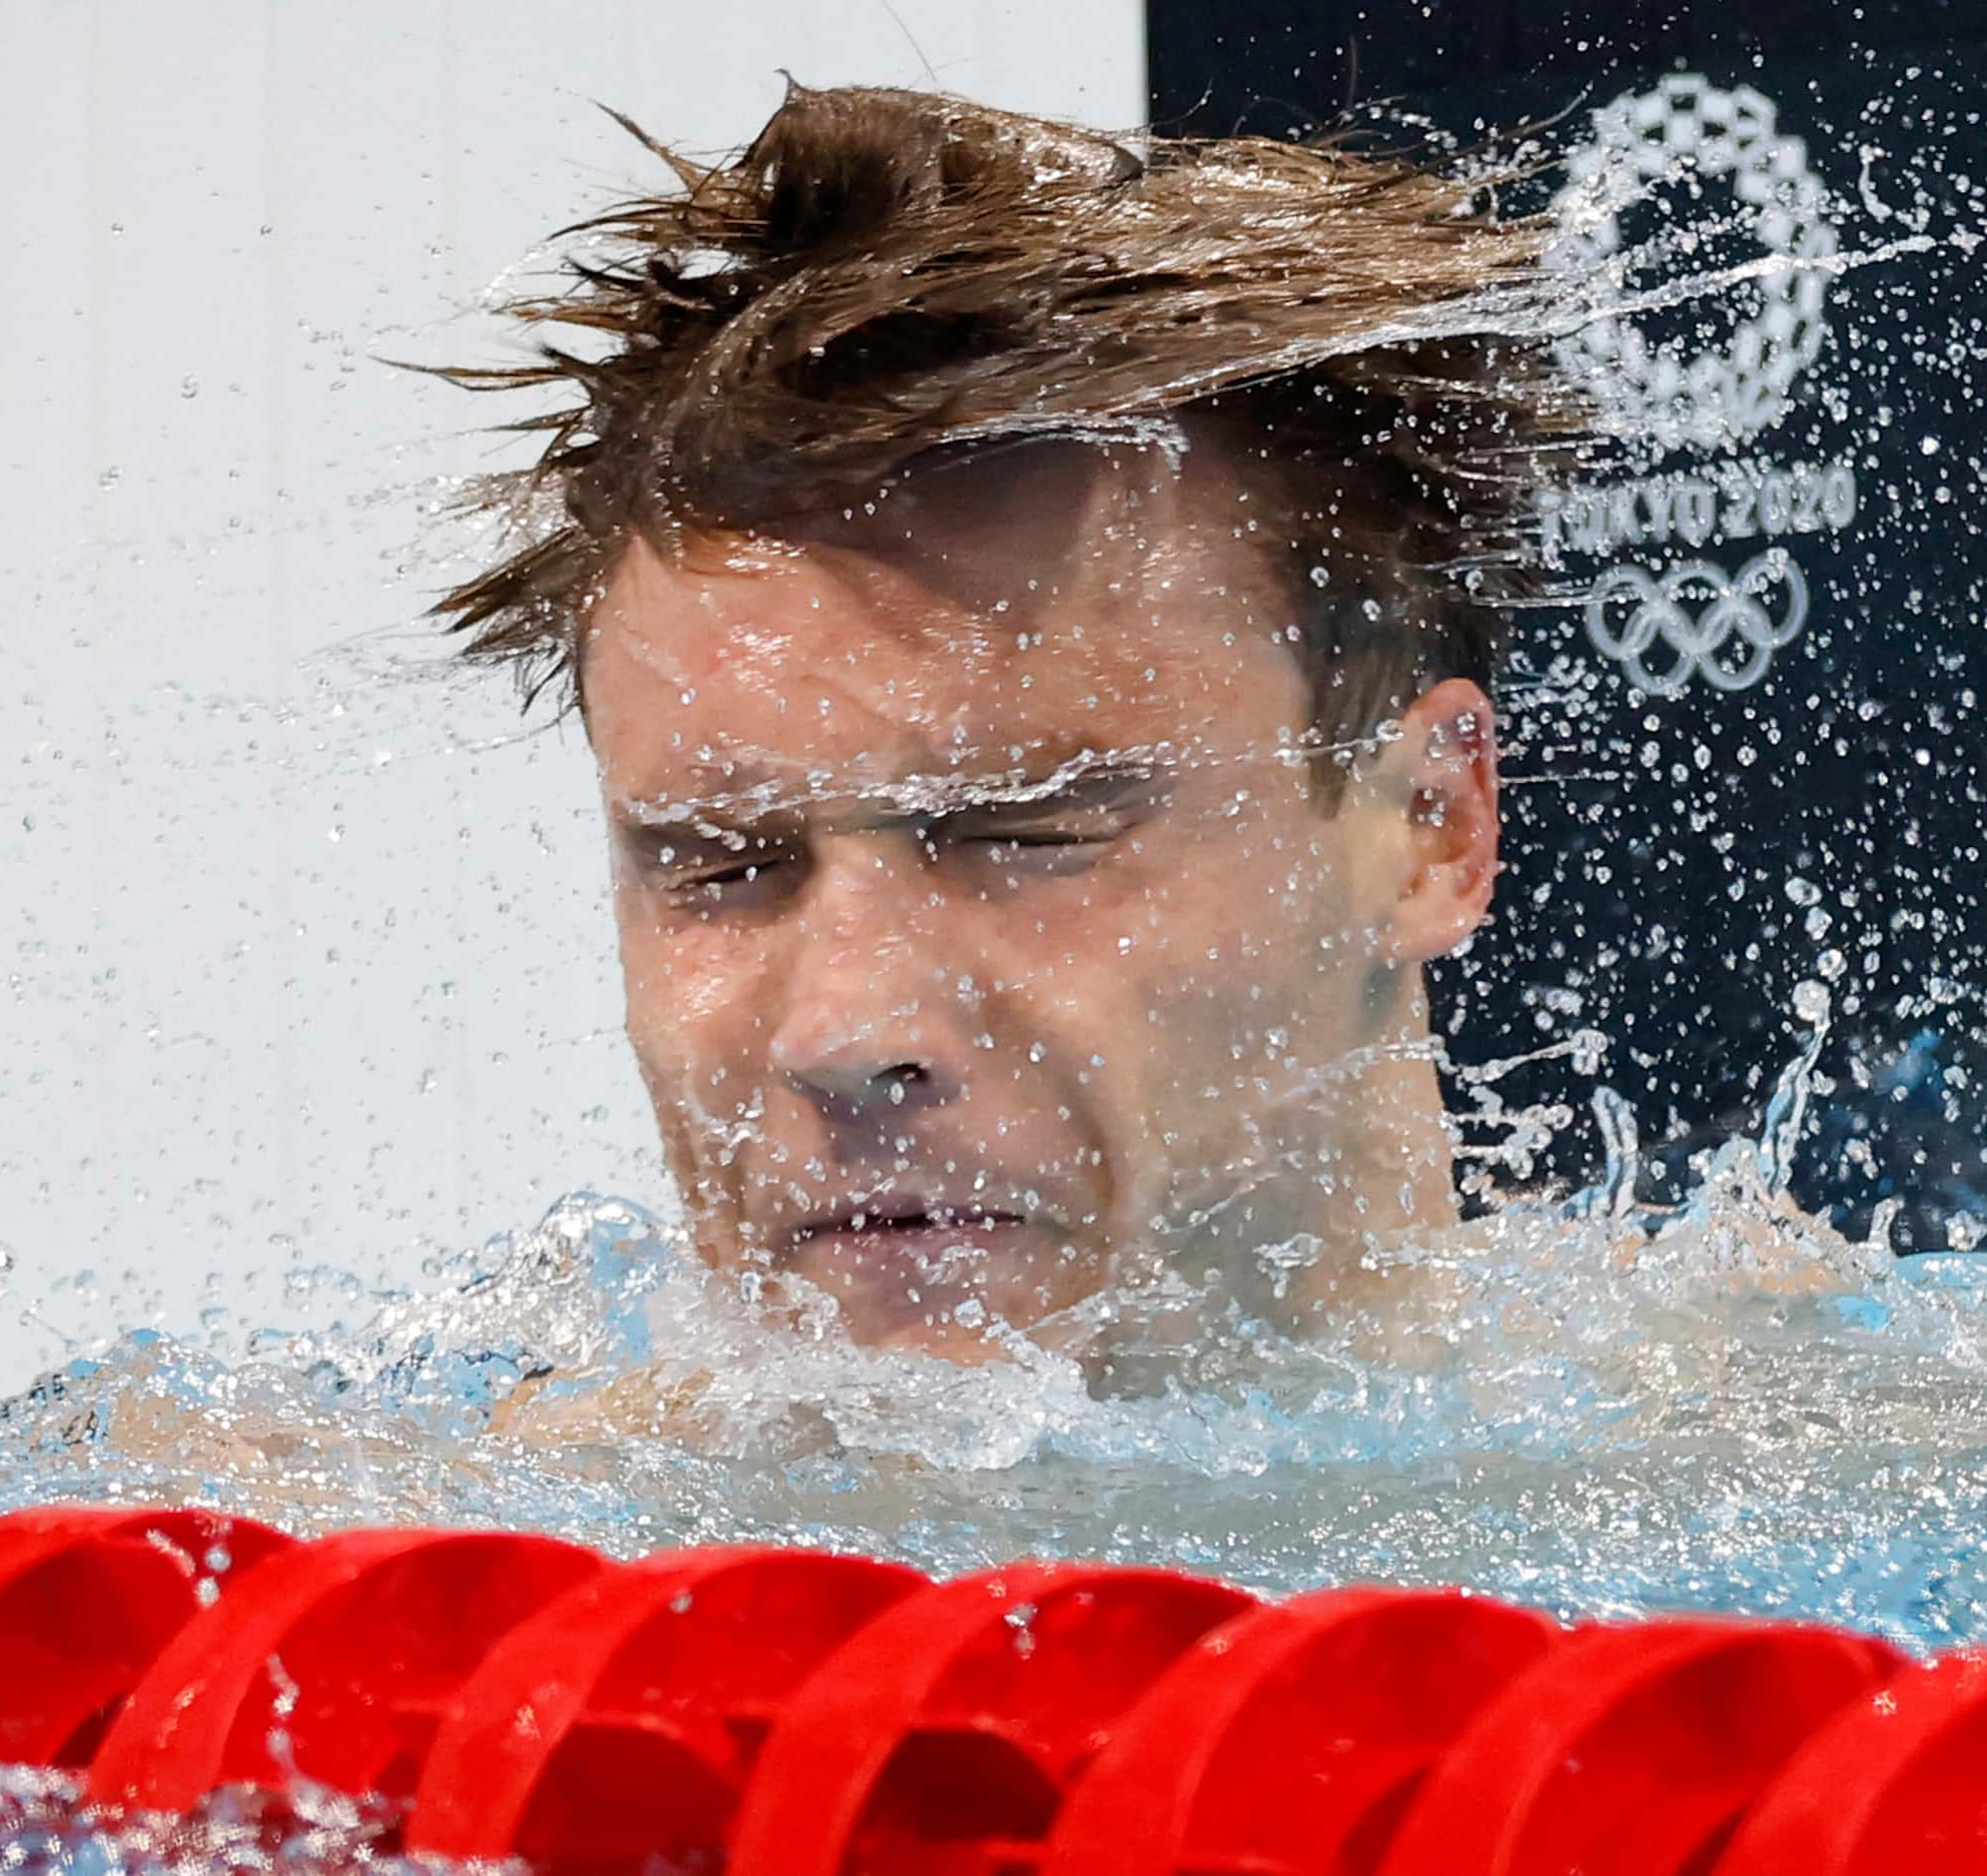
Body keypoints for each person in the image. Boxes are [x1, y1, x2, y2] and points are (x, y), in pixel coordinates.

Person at [430, 83, 1591, 1372]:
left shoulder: (1780, 1482)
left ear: (1431, 825)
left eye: (1026, 835)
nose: (847, 1036)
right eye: (725, 866)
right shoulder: (455, 1534)